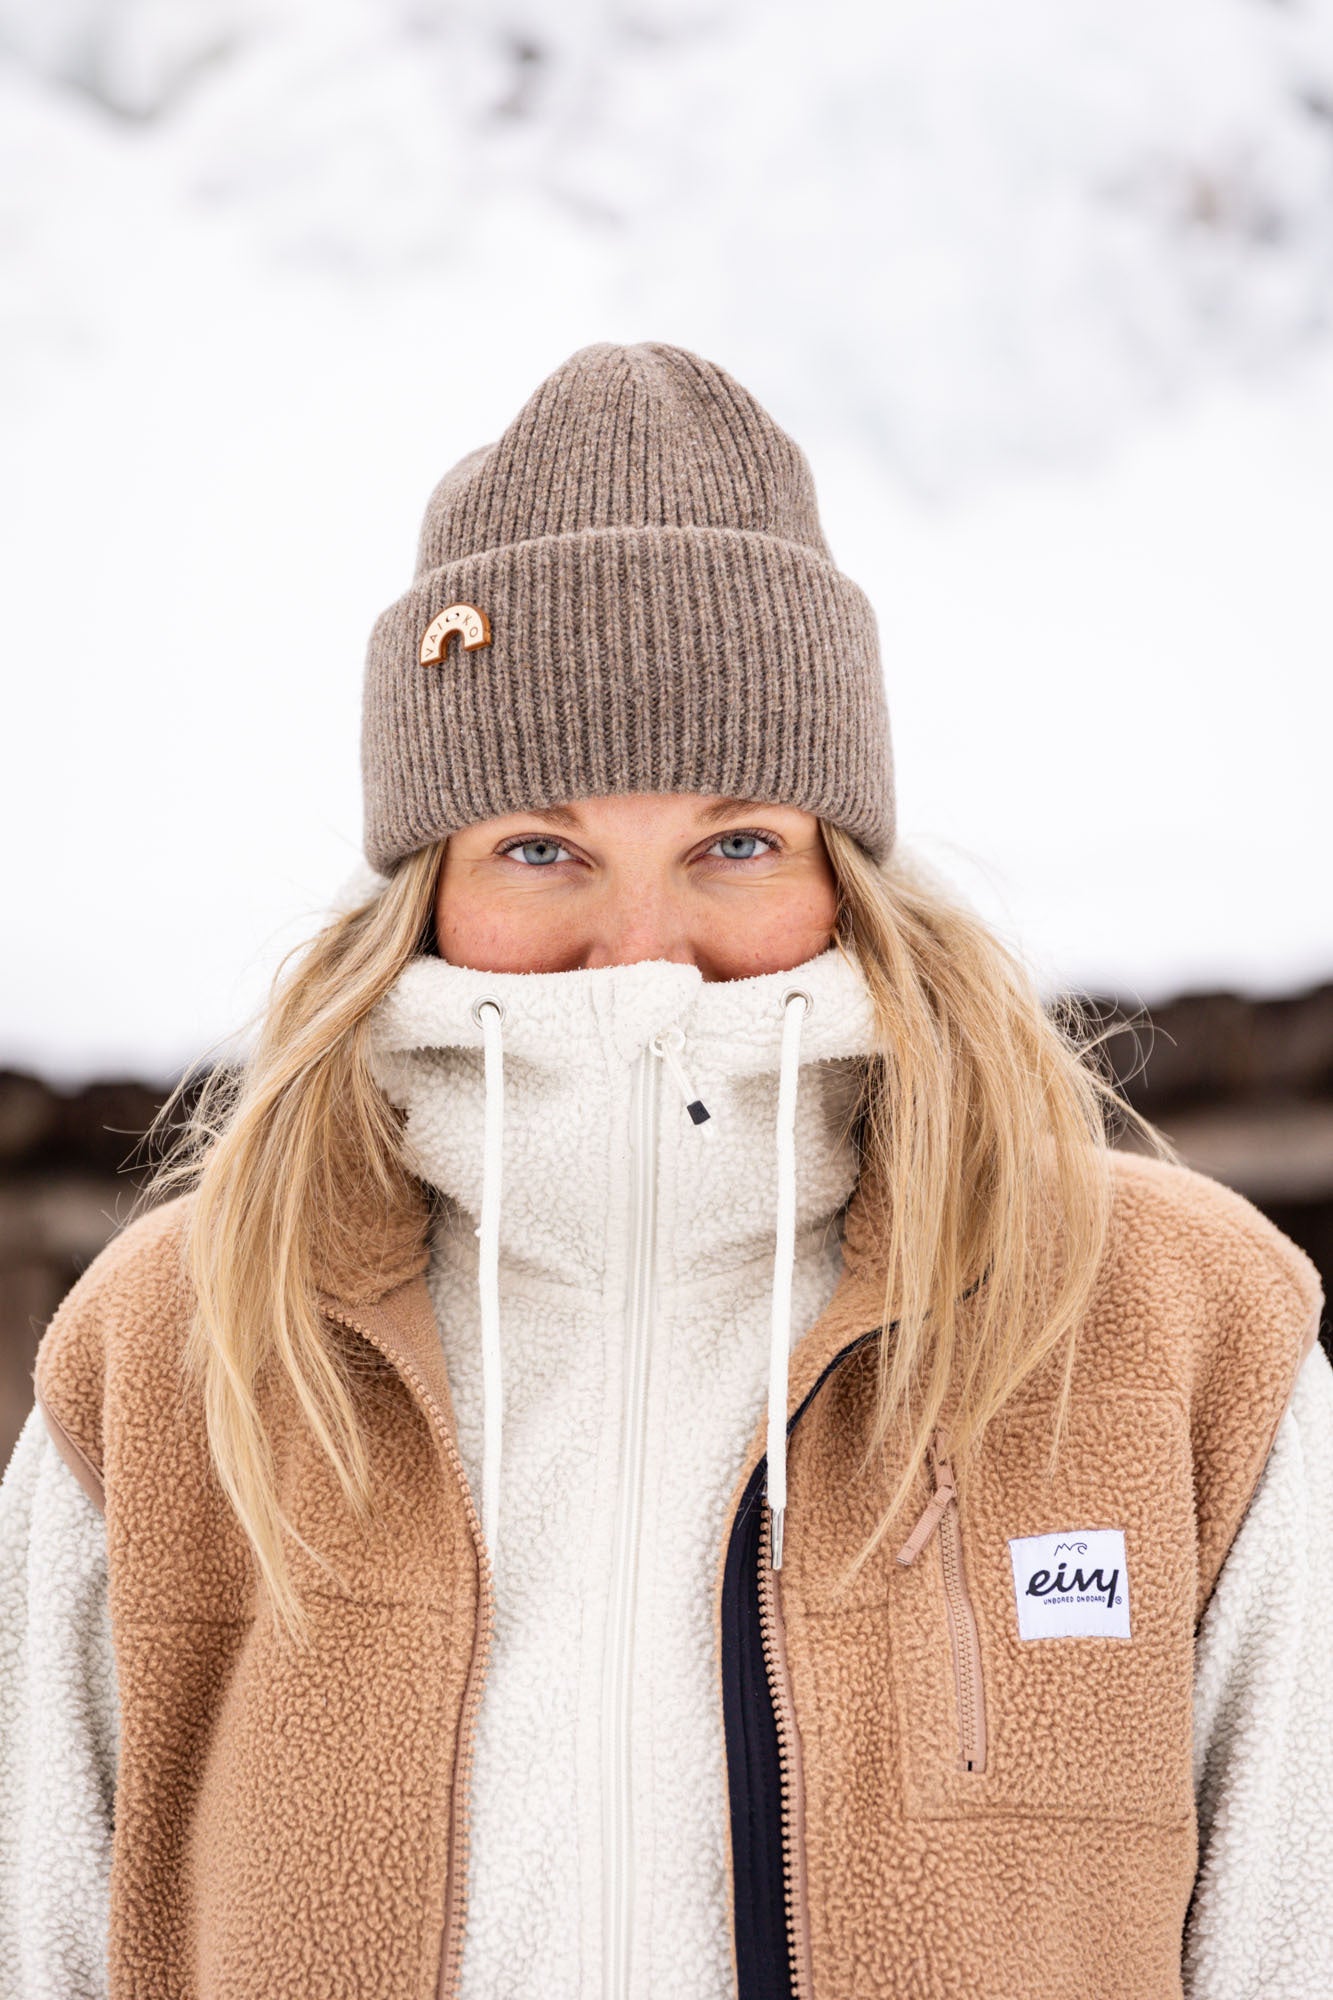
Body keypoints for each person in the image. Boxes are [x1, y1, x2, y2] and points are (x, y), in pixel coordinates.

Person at [0, 341, 1329, 2000]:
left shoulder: (1171, 1327)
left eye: (735, 843)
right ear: (424, 885)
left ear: (846, 873)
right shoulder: (174, 1348)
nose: (642, 951)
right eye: (540, 848)